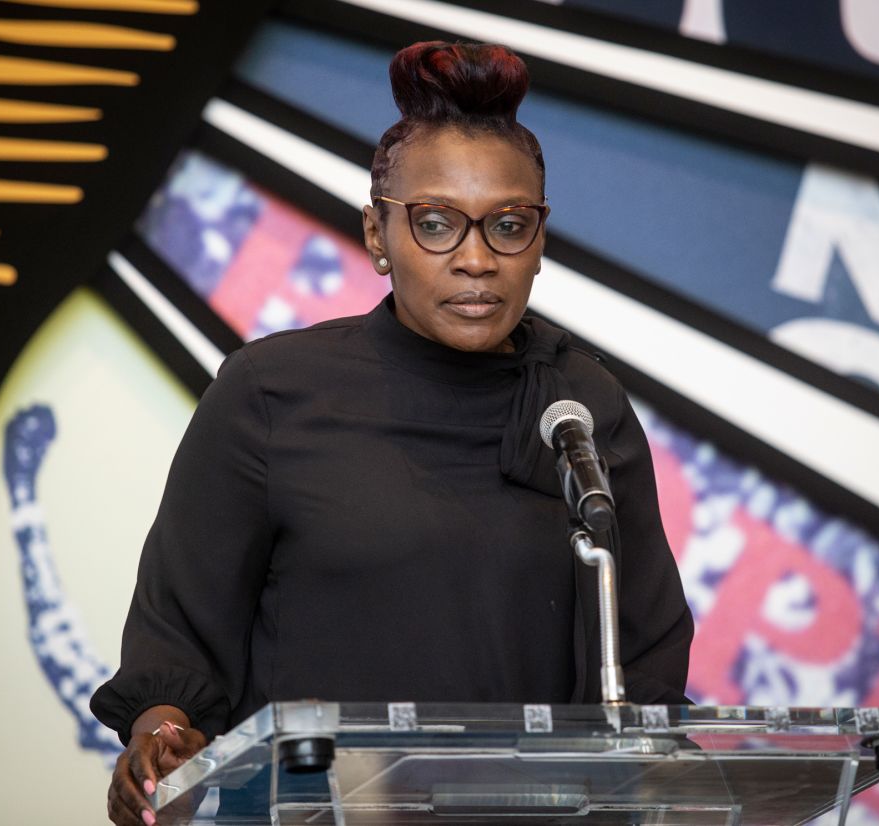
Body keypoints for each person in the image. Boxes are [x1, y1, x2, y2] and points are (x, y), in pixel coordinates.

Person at [93, 40, 693, 826]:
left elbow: (642, 657)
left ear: (539, 242)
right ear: (378, 234)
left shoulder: (580, 408)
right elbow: (180, 639)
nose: (476, 259)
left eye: (508, 225)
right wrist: (164, 739)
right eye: (437, 223)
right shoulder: (273, 393)